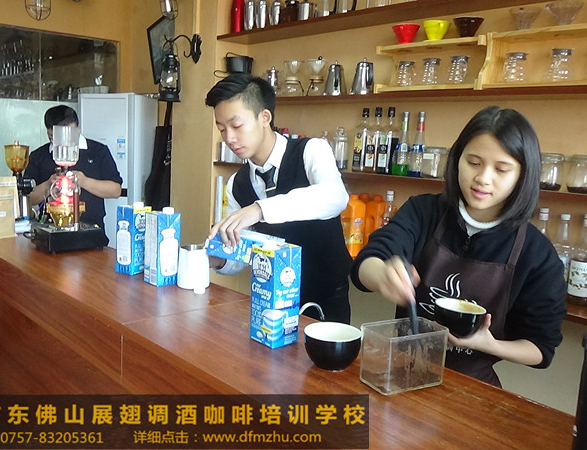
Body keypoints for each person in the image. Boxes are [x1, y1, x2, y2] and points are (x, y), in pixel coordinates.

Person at [351, 106, 567, 386]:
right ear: (457, 160)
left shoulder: (537, 253)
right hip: (405, 371)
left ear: (522, 176)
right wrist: (382, 275)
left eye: (501, 169)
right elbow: (367, 262)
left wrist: (489, 344)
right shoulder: (423, 212)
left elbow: (541, 349)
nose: (483, 178)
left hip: (472, 387)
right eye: (474, 162)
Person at [205, 74, 352, 323]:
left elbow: (335, 197)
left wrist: (259, 210)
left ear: (265, 118)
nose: (229, 138)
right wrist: (219, 258)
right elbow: (242, 249)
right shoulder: (237, 184)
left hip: (325, 303)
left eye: (236, 126)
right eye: (222, 129)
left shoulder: (311, 151)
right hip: (270, 304)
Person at [24, 105, 122, 229]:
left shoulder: (98, 151)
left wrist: (84, 181)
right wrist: (49, 184)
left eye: (68, 135)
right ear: (49, 132)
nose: (63, 143)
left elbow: (115, 190)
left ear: (78, 129)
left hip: (91, 228)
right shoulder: (39, 156)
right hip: (50, 227)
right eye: (55, 137)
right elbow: (27, 199)